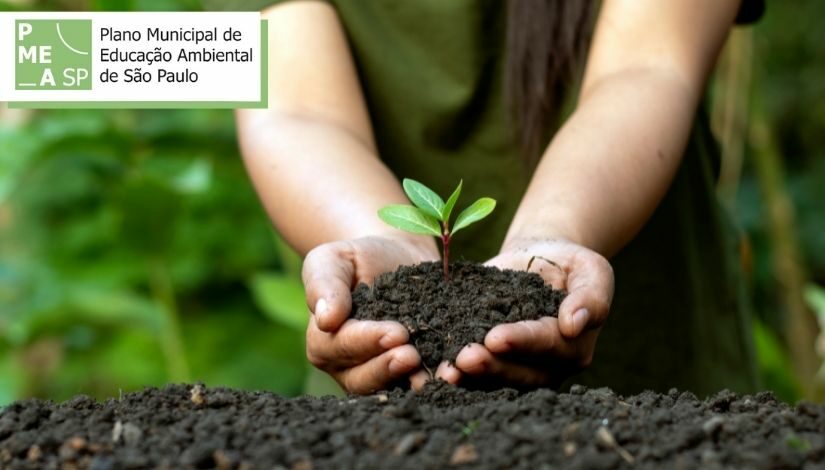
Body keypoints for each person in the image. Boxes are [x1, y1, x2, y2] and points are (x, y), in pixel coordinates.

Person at [237, 0, 764, 396]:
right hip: (391, 398)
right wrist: (380, 236)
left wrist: (552, 237)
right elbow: (292, 106)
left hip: (658, 384)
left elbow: (651, 65)